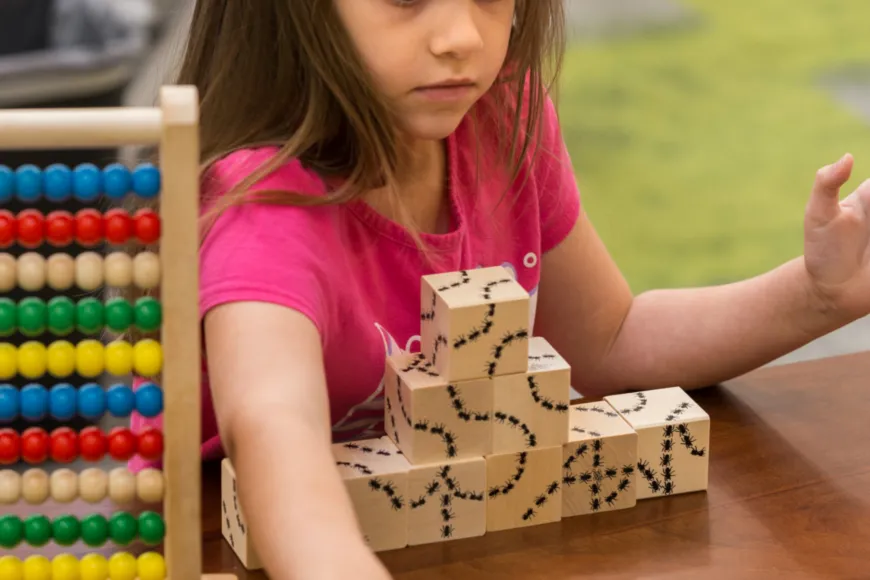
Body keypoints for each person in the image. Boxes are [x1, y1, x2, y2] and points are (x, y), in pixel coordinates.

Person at [129, 1, 870, 578]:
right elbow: (274, 437)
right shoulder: (262, 211)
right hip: (213, 543)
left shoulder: (499, 117)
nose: (460, 37)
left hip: (440, 529)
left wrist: (814, 295)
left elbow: (607, 342)